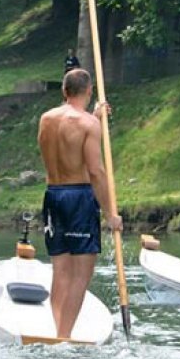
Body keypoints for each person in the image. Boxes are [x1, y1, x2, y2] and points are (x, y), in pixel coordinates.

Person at [38, 68, 121, 339]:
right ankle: (64, 338)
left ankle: (57, 330)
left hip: (53, 195)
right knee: (80, 275)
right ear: (89, 91)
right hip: (79, 197)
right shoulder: (88, 125)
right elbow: (96, 171)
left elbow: (66, 143)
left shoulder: (46, 119)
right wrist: (110, 214)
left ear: (64, 91)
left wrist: (93, 117)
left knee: (61, 271)